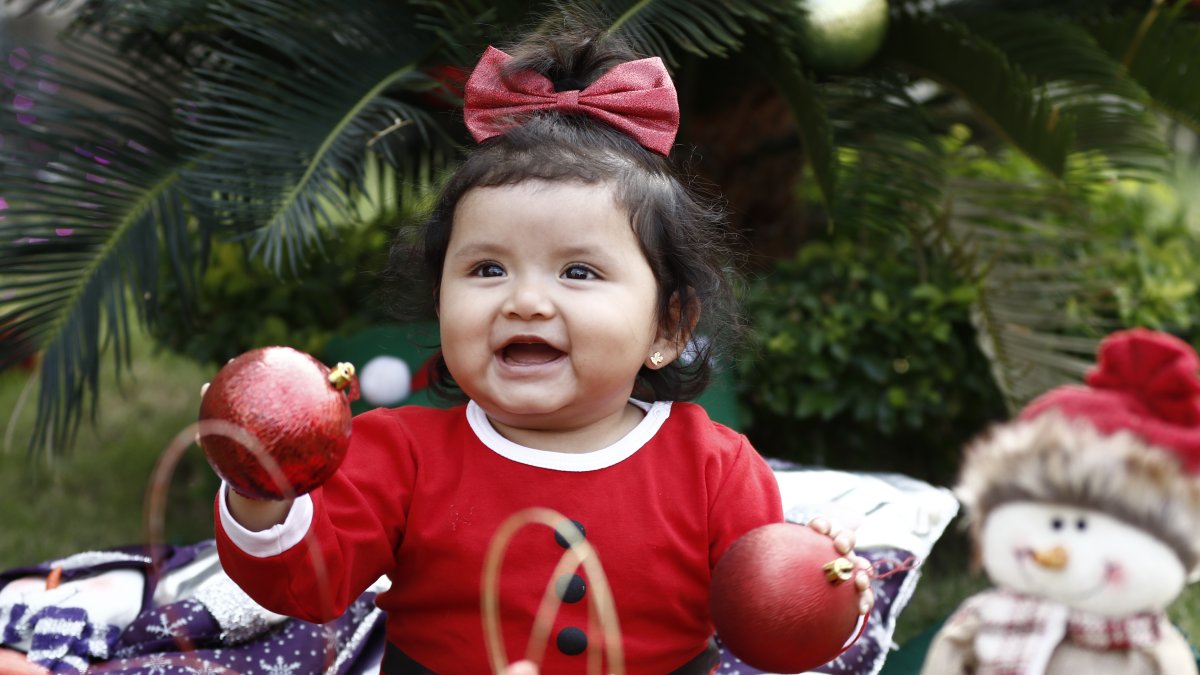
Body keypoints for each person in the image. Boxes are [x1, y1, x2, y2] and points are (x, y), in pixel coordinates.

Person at [211, 22, 873, 674]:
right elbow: (304, 583)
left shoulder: (714, 468)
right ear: (441, 302)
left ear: (668, 328)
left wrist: (826, 590)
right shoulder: (401, 455)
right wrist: (261, 486)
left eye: (578, 271)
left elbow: (767, 619)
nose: (525, 301)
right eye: (488, 269)